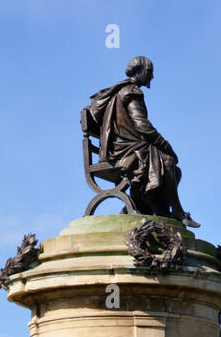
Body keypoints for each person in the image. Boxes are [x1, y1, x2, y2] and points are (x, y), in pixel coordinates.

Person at [85, 56, 200, 228]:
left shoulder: (122, 90)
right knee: (167, 160)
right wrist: (165, 145)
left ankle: (144, 205)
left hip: (123, 146)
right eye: (149, 72)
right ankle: (176, 211)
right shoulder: (131, 92)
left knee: (173, 170)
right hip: (124, 149)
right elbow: (142, 125)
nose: (152, 76)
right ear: (139, 71)